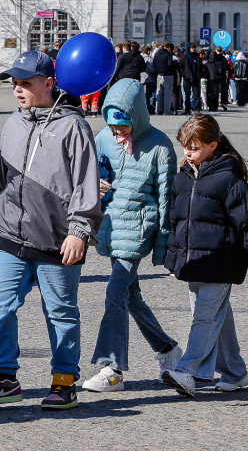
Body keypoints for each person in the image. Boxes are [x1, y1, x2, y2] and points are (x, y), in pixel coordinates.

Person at [0, 50, 102, 410]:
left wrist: (79, 230)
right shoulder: (13, 122)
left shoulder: (74, 126)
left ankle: (63, 380)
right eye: (15, 84)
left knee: (60, 312)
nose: (18, 90)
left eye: (26, 83)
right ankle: (2, 377)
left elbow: (85, 184)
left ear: (48, 83)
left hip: (57, 239)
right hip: (9, 234)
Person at [161, 114, 248, 397]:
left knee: (205, 318)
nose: (189, 152)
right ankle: (235, 373)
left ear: (213, 145)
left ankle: (188, 371)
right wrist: (174, 260)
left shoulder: (228, 178)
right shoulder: (182, 178)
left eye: (195, 147)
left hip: (222, 262)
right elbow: (176, 223)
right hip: (193, 263)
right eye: (185, 145)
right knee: (216, 318)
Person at [81, 79, 182, 393]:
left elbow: (167, 199)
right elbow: (88, 174)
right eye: (112, 127)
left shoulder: (161, 146)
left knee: (114, 295)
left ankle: (112, 369)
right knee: (131, 298)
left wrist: (163, 247)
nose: (117, 133)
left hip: (139, 230)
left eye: (122, 126)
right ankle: (167, 349)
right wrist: (94, 185)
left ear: (137, 116)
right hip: (111, 227)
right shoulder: (102, 138)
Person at [153, 42, 177, 115]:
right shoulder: (168, 54)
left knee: (159, 93)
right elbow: (170, 64)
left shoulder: (156, 54)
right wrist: (174, 64)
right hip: (168, 75)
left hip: (159, 75)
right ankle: (167, 111)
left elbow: (154, 64)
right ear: (168, 48)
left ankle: (158, 110)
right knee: (168, 93)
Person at [206, 47, 229, 112]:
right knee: (217, 93)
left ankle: (211, 106)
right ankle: (217, 106)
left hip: (210, 78)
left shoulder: (208, 62)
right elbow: (222, 69)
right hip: (218, 78)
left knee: (210, 92)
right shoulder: (222, 60)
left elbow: (205, 71)